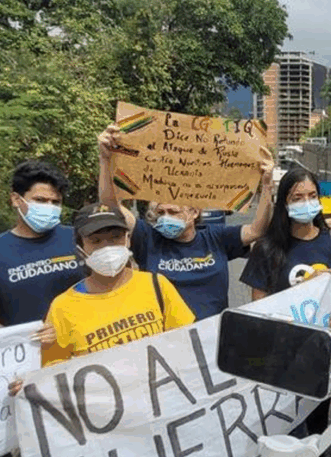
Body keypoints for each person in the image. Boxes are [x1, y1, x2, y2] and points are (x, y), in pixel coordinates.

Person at [97, 123, 275, 320]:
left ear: (194, 212)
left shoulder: (216, 237)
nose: (165, 217)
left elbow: (257, 230)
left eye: (173, 211)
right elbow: (111, 205)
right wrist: (105, 160)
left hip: (212, 335)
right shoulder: (147, 238)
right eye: (160, 212)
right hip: (167, 339)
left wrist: (266, 186)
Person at [240, 167, 331, 457]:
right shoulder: (267, 248)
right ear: (285, 203)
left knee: (318, 433)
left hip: (320, 357)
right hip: (281, 360)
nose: (306, 202)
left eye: (312, 195)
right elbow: (258, 308)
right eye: (297, 197)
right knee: (286, 435)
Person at [37, 203, 196, 365]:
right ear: (80, 249)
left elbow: (188, 345)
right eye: (96, 241)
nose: (107, 247)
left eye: (115, 237)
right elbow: (52, 373)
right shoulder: (62, 308)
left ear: (128, 239)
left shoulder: (156, 285)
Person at [0, 161, 83, 337]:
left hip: (84, 352)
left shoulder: (78, 238)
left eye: (55, 202)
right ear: (16, 199)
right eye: (40, 200)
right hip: (27, 357)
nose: (49, 207)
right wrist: (29, 338)